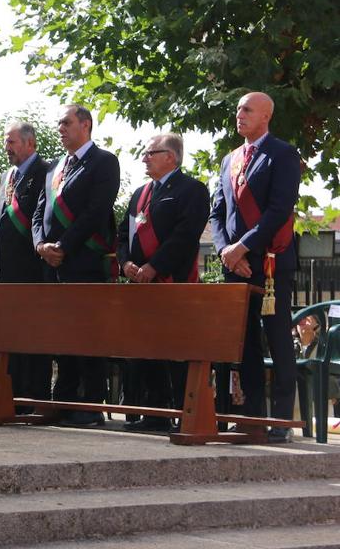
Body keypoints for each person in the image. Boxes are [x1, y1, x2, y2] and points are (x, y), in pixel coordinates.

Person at [210, 91, 301, 443]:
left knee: (277, 339)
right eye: (237, 109)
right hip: (236, 264)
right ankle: (251, 416)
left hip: (271, 263)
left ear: (266, 116)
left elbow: (279, 210)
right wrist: (225, 251)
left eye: (247, 109)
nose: (239, 114)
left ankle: (281, 421)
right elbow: (217, 213)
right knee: (244, 341)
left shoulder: (282, 153)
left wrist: (242, 247)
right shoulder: (229, 159)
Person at [32, 104, 120, 426]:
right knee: (60, 335)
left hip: (83, 261)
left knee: (86, 334)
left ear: (85, 125)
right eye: (59, 123)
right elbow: (39, 213)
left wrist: (64, 246)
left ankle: (89, 404)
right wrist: (41, 245)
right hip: (52, 265)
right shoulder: (54, 167)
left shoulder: (104, 161)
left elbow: (96, 212)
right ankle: (63, 400)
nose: (60, 128)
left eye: (66, 122)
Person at [117, 133, 210, 432]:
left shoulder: (192, 190)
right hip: (141, 285)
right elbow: (123, 234)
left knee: (176, 351)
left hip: (174, 281)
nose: (144, 158)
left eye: (150, 153)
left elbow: (184, 236)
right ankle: (154, 413)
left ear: (170, 156)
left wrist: (154, 266)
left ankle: (184, 413)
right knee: (147, 348)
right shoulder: (139, 194)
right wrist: (126, 263)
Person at [0, 122, 52, 403]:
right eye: (6, 142)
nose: (7, 148)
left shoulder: (46, 172)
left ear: (30, 143)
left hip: (31, 270)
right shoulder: (7, 175)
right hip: (5, 273)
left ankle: (35, 397)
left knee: (33, 338)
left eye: (12, 142)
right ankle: (11, 395)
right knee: (11, 338)